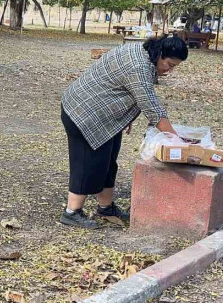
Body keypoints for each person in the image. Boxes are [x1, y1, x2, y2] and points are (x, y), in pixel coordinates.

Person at [59, 37, 188, 229]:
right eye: (169, 64)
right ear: (160, 54)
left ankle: (105, 207)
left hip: (106, 115)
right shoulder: (140, 66)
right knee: (87, 163)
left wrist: (126, 117)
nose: (169, 70)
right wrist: (176, 140)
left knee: (108, 162)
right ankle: (72, 212)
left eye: (174, 67)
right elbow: (152, 108)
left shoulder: (142, 51)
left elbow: (126, 88)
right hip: (84, 113)